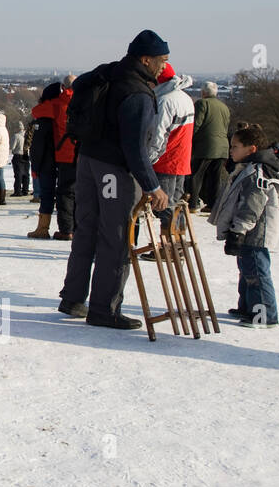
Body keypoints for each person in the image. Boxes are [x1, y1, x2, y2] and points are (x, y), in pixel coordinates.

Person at [57, 30, 171, 330]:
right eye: (162, 60)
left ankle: (73, 297)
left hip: (86, 161)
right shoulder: (138, 93)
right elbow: (135, 148)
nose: (163, 66)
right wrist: (152, 186)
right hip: (114, 170)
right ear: (146, 59)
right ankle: (104, 309)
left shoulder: (107, 74)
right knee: (117, 237)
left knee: (87, 230)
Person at [209, 125, 279, 328]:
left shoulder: (256, 173)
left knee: (256, 274)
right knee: (246, 271)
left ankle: (264, 315)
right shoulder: (246, 169)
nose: (231, 150)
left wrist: (238, 231)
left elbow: (251, 207)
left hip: (255, 234)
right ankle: (248, 307)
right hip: (248, 233)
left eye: (235, 146)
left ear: (251, 149)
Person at [146, 63, 194, 232]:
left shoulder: (164, 101)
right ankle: (178, 241)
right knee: (175, 204)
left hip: (166, 160)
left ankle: (169, 244)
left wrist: (147, 161)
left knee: (164, 205)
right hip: (181, 159)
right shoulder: (185, 97)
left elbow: (158, 135)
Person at [29, 78, 77, 239]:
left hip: (63, 153)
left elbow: (36, 111)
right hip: (83, 153)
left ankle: (64, 229)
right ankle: (78, 228)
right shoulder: (84, 102)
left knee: (64, 194)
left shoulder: (57, 104)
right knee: (78, 193)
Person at [190, 81, 231, 212]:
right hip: (222, 146)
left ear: (203, 93)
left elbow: (196, 124)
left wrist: (190, 140)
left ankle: (192, 202)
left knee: (196, 175)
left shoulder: (202, 104)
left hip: (205, 146)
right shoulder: (224, 107)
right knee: (215, 177)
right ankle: (212, 204)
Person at [26, 88, 60, 238]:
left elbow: (38, 146)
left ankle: (43, 228)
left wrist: (35, 166)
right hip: (66, 160)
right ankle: (68, 227)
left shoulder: (44, 116)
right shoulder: (65, 112)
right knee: (68, 194)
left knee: (47, 194)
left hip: (47, 162)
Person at [10, 121, 30, 197]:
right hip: (26, 155)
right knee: (26, 174)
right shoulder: (27, 135)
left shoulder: (16, 136)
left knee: (18, 174)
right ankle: (25, 190)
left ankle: (17, 191)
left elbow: (12, 147)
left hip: (18, 155)